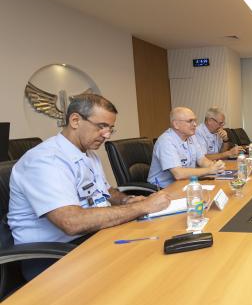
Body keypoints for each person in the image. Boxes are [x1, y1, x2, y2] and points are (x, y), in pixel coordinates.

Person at [8, 94, 172, 280]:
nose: (107, 135)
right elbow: (72, 222)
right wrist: (141, 207)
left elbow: (104, 191)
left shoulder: (88, 154)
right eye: (101, 126)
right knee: (140, 273)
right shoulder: (45, 160)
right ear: (75, 120)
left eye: (110, 129)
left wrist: (126, 199)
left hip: (93, 238)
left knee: (158, 252)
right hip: (54, 256)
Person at [148, 107, 224, 188]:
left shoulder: (191, 136)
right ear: (176, 124)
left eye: (195, 120)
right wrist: (209, 170)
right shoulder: (166, 141)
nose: (195, 124)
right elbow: (178, 174)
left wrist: (215, 166)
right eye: (190, 121)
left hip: (185, 184)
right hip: (162, 189)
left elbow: (202, 160)